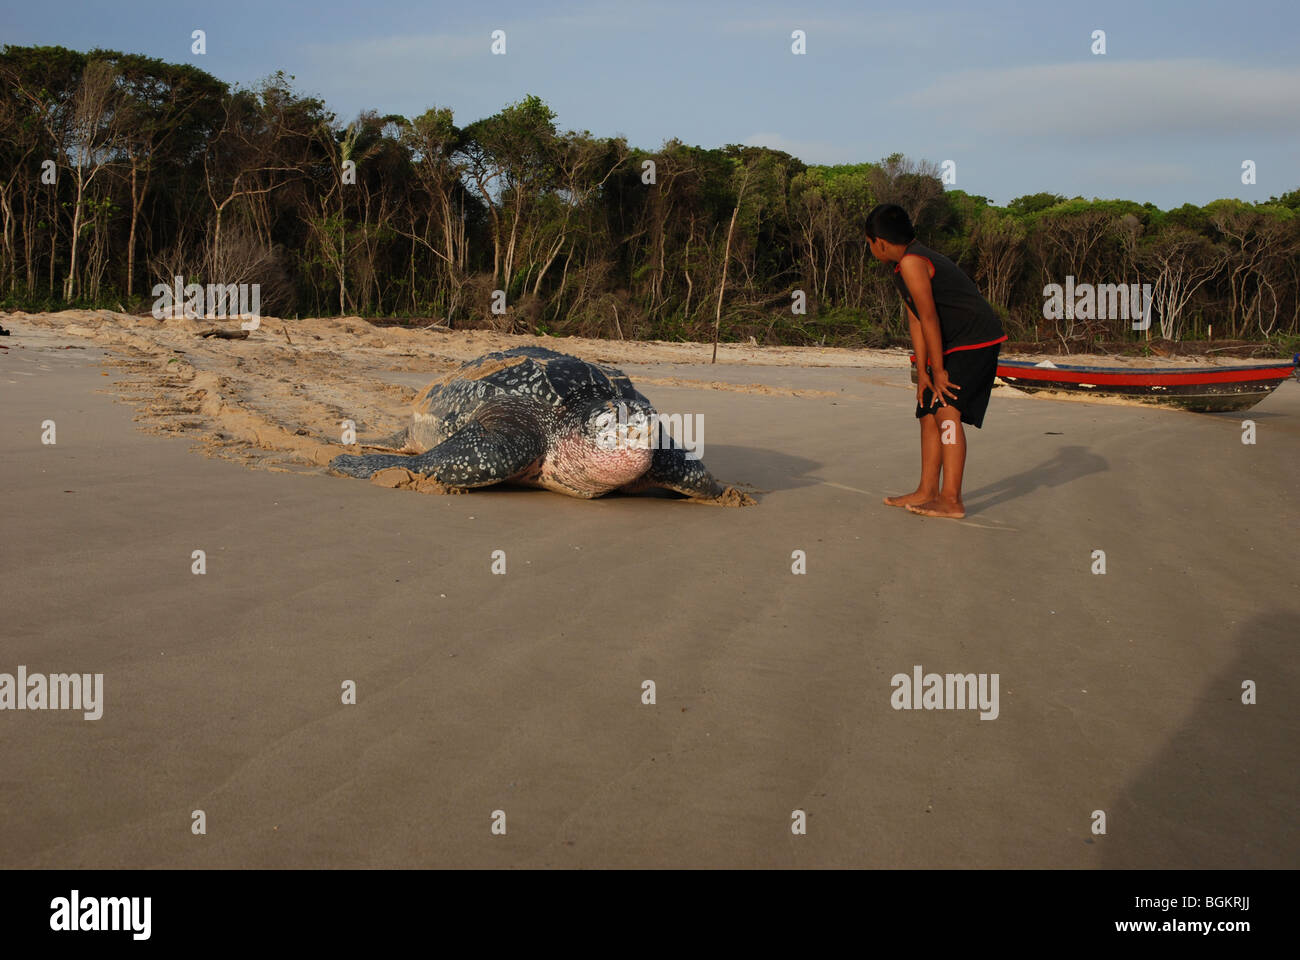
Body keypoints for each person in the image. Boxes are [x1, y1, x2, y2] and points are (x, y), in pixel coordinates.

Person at [866, 203, 1006, 519]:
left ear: (880, 243)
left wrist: (939, 370)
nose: (871, 249)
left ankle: (951, 499)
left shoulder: (914, 262)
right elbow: (916, 319)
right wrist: (923, 369)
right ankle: (927, 490)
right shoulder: (903, 266)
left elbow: (929, 316)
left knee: (946, 412)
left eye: (869, 243)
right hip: (949, 342)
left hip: (974, 340)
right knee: (927, 412)